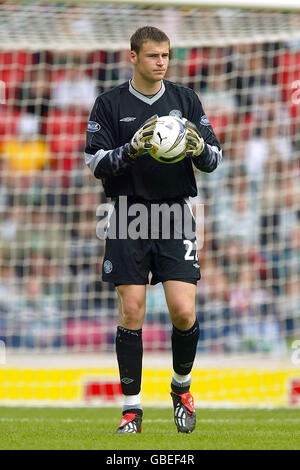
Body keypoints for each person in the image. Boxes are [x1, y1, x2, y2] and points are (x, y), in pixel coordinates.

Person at [85, 26, 222, 434]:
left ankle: (181, 389)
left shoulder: (185, 99)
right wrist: (133, 148)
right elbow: (95, 163)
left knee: (183, 311)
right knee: (132, 311)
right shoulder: (109, 104)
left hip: (174, 212)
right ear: (133, 57)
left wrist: (197, 147)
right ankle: (132, 410)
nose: (161, 62)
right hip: (127, 214)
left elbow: (214, 156)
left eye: (165, 55)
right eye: (152, 56)